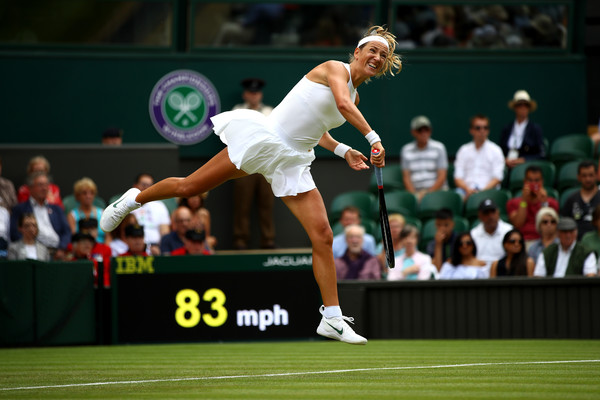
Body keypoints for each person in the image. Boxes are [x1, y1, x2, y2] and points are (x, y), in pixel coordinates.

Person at [101, 25, 403, 345]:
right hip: (266, 140)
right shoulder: (334, 70)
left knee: (323, 235)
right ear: (357, 52)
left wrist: (343, 151)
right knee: (189, 187)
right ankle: (133, 200)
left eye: (384, 55)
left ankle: (331, 318)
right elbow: (342, 105)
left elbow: (318, 129)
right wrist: (373, 137)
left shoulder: (355, 95)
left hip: (293, 159)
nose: (377, 57)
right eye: (373, 50)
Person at [231, 77, 276, 250]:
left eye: (256, 93)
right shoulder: (237, 111)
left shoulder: (269, 111)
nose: (254, 96)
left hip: (266, 165)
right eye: (251, 92)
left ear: (260, 94)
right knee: (242, 204)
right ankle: (240, 239)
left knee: (267, 204)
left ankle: (268, 239)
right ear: (245, 94)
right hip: (244, 163)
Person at [10, 172, 71, 260]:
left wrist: (62, 248)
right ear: (30, 188)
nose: (44, 188)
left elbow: (66, 232)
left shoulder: (57, 209)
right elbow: (15, 233)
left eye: (46, 185)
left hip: (57, 252)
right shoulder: (20, 209)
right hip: (33, 252)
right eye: (40, 185)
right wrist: (30, 245)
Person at [453, 114, 505, 200]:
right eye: (478, 128)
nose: (482, 131)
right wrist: (467, 190)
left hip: (488, 191)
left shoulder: (496, 150)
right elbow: (457, 177)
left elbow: (498, 178)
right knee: (455, 198)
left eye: (485, 128)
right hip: (465, 191)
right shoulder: (463, 150)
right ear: (471, 130)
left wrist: (481, 192)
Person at [507, 164, 559, 247]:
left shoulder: (552, 203)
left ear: (542, 181)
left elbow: (549, 228)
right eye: (530, 180)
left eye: (537, 180)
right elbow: (518, 224)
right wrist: (524, 200)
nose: (533, 184)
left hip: (545, 242)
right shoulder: (513, 203)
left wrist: (543, 204)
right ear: (525, 181)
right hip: (524, 242)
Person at [400, 115, 448, 201]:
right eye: (420, 130)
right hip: (416, 193)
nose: (424, 133)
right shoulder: (406, 150)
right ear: (413, 132)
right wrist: (414, 196)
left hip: (438, 191)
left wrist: (428, 194)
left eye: (427, 130)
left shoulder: (439, 148)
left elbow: (442, 176)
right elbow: (406, 177)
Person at [500, 90, 545, 169]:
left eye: (526, 105)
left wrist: (524, 160)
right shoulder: (507, 128)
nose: (523, 108)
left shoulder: (535, 129)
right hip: (506, 166)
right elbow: (500, 151)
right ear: (515, 107)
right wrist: (505, 160)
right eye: (520, 105)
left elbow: (541, 154)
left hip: (526, 167)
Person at [129, 173, 171, 256]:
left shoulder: (160, 206)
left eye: (150, 185)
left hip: (156, 248)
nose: (146, 188)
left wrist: (160, 248)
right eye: (143, 185)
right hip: (134, 249)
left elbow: (165, 233)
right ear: (135, 186)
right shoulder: (127, 206)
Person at [560, 160, 600, 239]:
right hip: (575, 243)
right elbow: (564, 223)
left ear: (596, 175)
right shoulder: (572, 199)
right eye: (584, 176)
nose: (588, 179)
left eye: (591, 175)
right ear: (578, 177)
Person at [470, 198, 513, 264]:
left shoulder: (509, 231)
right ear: (480, 215)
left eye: (493, 212)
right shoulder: (473, 234)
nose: (490, 216)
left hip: (503, 272)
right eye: (486, 213)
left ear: (498, 212)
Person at [67, 177, 106, 244]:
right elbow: (73, 238)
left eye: (91, 193)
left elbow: (108, 237)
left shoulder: (102, 213)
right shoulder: (72, 215)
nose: (88, 196)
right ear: (78, 196)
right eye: (84, 193)